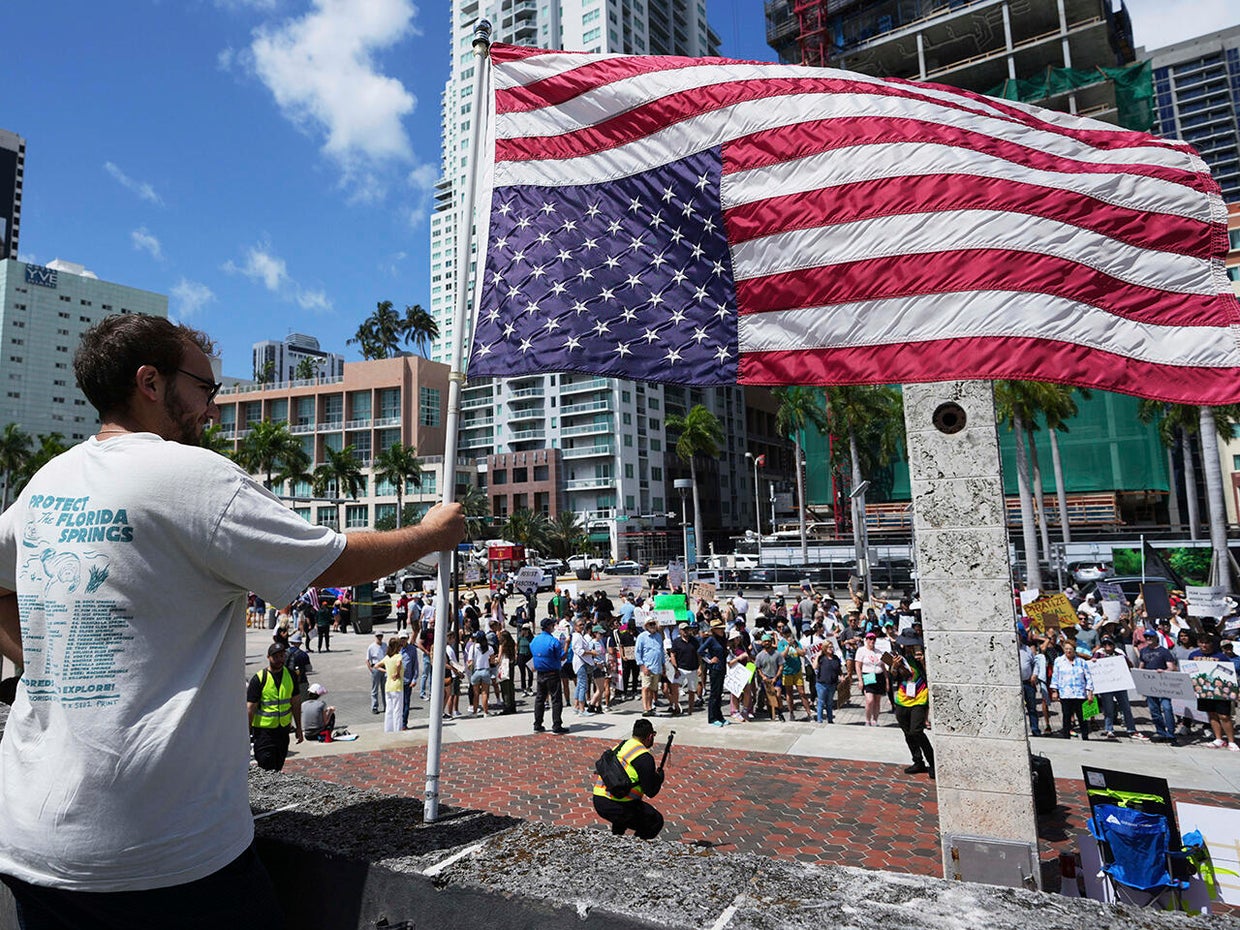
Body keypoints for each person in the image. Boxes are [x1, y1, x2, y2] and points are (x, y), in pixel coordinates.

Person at [0, 314, 466, 925]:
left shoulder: (48, 481)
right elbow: (331, 560)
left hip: (31, 841)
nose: (212, 409)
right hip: (161, 853)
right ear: (150, 382)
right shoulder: (192, 476)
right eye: (204, 387)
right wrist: (429, 535)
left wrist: (44, 662)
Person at [591, 718, 666, 839]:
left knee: (628, 812)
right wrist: (659, 778)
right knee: (655, 821)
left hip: (599, 798)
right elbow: (651, 792)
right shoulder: (644, 757)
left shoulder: (622, 745)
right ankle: (634, 848)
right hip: (617, 803)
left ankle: (616, 838)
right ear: (650, 736)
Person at [247, 642, 304, 771]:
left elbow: (295, 703)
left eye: (282, 656)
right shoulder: (259, 679)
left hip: (283, 731)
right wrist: (247, 733)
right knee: (266, 766)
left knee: (278, 766)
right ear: (268, 657)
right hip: (264, 733)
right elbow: (250, 709)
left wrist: (299, 728)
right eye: (276, 657)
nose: (279, 659)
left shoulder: (290, 675)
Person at [887, 635, 934, 776]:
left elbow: (930, 676)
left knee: (917, 731)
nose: (909, 648)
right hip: (902, 699)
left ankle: (932, 762)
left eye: (912, 645)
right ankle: (918, 761)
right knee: (907, 732)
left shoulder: (923, 658)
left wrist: (924, 662)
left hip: (919, 699)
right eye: (906, 646)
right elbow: (894, 677)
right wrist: (894, 666)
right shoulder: (900, 659)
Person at [1188, 634, 1239, 751]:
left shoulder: (1221, 657)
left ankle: (1231, 741)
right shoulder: (1193, 655)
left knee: (1224, 716)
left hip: (1221, 692)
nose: (1204, 645)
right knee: (1211, 714)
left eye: (1206, 643)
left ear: (1212, 644)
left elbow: (1229, 675)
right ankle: (1218, 739)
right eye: (1201, 642)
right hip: (1203, 691)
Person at [1137, 628, 1179, 744]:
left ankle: (1171, 733)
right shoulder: (1143, 651)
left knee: (1167, 708)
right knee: (1154, 710)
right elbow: (1142, 665)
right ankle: (1160, 732)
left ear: (1156, 638)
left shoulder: (1164, 651)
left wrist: (1165, 671)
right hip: (1150, 684)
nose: (1148, 639)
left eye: (1150, 637)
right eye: (1146, 637)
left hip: (1162, 683)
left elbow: (1172, 667)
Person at [1050, 638, 1094, 740]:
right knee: (1066, 716)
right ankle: (1066, 736)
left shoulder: (1081, 662)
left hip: (1079, 693)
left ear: (1074, 650)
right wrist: (1054, 691)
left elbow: (1088, 678)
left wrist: (1090, 692)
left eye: (1070, 649)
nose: (1068, 651)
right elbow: (1055, 676)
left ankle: (1085, 736)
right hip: (1066, 693)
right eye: (1066, 649)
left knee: (1082, 717)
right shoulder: (1059, 661)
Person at [530, 617, 568, 733]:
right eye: (552, 625)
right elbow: (562, 656)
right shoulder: (553, 641)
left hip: (540, 673)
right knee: (556, 699)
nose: (554, 627)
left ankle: (537, 723)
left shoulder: (535, 640)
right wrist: (566, 644)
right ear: (549, 627)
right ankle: (556, 725)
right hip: (552, 673)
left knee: (540, 699)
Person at [697, 618, 729, 726]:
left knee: (719, 694)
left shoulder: (723, 639)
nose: (722, 631)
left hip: (722, 668)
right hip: (715, 669)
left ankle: (719, 716)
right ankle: (712, 717)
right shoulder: (711, 639)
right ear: (714, 630)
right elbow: (700, 651)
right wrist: (709, 660)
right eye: (719, 629)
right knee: (714, 694)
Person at [634, 617, 666, 717]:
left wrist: (663, 664)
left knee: (653, 689)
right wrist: (642, 666)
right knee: (645, 687)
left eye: (653, 624)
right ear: (646, 626)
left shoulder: (658, 636)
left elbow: (661, 651)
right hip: (647, 666)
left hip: (657, 666)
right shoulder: (642, 637)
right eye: (650, 624)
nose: (652, 626)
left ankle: (650, 706)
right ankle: (645, 708)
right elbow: (637, 652)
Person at [855, 631, 887, 726]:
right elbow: (858, 666)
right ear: (866, 640)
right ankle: (867, 719)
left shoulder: (878, 652)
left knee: (877, 700)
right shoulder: (861, 650)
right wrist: (860, 680)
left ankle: (875, 719)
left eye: (873, 639)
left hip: (879, 676)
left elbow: (883, 666)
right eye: (870, 639)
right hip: (868, 675)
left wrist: (887, 680)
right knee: (870, 700)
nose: (872, 641)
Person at [814, 640, 843, 724]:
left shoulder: (835, 658)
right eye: (829, 647)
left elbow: (839, 669)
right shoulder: (821, 658)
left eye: (832, 647)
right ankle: (819, 720)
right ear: (825, 648)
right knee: (821, 702)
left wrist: (841, 676)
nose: (831, 649)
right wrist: (817, 656)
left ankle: (830, 719)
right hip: (821, 684)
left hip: (832, 684)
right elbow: (814, 666)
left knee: (830, 703)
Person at [399, 633, 419, 730]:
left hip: (407, 681)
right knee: (398, 704)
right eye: (401, 638)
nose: (403, 640)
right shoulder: (396, 649)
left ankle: (404, 723)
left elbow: (415, 665)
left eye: (404, 638)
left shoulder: (412, 649)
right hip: (397, 682)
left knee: (406, 703)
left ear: (407, 638)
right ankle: (397, 722)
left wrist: (414, 679)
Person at [366, 631, 386, 716]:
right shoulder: (371, 647)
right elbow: (367, 659)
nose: (379, 637)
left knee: (384, 688)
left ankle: (386, 706)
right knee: (375, 689)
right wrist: (371, 669)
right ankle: (374, 707)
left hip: (384, 667)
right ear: (375, 637)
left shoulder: (385, 645)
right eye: (378, 636)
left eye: (381, 636)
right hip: (376, 667)